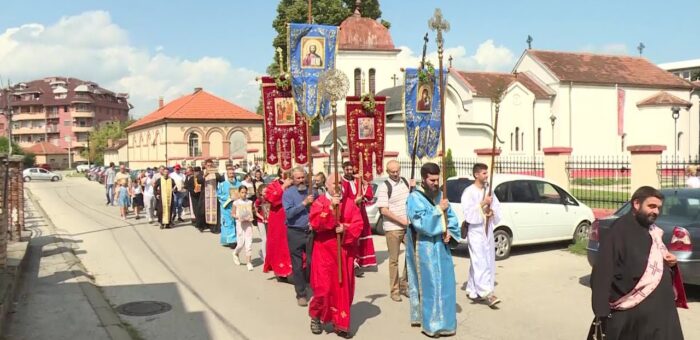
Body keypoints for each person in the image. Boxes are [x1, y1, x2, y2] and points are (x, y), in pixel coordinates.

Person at [589, 186, 684, 340]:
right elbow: (602, 273)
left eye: (659, 208)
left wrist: (671, 264)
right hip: (632, 316)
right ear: (636, 204)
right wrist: (602, 314)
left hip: (661, 313)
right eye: (651, 206)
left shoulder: (652, 230)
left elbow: (654, 263)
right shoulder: (618, 232)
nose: (656, 212)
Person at [405, 162, 461, 337]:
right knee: (430, 284)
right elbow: (420, 223)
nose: (435, 183)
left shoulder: (441, 196)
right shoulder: (414, 198)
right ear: (424, 179)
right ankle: (431, 325)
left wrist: (449, 233)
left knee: (445, 283)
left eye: (437, 180)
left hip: (441, 247)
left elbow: (451, 218)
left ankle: (446, 322)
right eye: (432, 180)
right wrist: (438, 210)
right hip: (424, 246)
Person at [308, 173, 363, 338]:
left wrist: (345, 229)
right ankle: (316, 316)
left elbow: (358, 225)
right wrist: (331, 209)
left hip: (344, 253)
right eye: (334, 183)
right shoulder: (319, 202)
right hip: (324, 253)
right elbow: (316, 223)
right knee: (323, 289)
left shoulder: (351, 204)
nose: (337, 186)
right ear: (328, 185)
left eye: (340, 183)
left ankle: (341, 324)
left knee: (342, 290)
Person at [461, 163, 502, 307]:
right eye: (484, 173)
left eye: (487, 173)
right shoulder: (469, 192)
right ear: (476, 175)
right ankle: (487, 293)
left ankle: (472, 290)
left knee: (487, 259)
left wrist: (491, 213)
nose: (486, 175)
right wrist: (483, 203)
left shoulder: (489, 191)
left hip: (487, 230)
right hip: (476, 231)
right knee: (479, 260)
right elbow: (469, 214)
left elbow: (496, 207)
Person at [375, 160, 412, 302]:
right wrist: (402, 221)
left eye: (397, 171)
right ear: (387, 171)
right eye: (392, 172)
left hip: (408, 227)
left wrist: (413, 187)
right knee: (394, 260)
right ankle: (394, 290)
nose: (396, 174)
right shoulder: (385, 187)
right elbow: (383, 210)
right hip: (393, 228)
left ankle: (404, 284)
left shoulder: (405, 182)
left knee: (411, 256)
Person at [283, 166, 316, 306]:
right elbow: (289, 213)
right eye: (298, 178)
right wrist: (304, 203)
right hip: (295, 231)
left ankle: (311, 285)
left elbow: (320, 208)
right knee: (297, 265)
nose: (301, 180)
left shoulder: (312, 191)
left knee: (311, 262)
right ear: (293, 179)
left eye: (303, 177)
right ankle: (301, 294)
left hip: (310, 231)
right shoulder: (288, 194)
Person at [340, 161, 376, 277]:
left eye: (351, 169)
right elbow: (342, 199)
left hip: (360, 212)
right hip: (348, 214)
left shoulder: (357, 180)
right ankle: (351, 263)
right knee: (351, 237)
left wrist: (365, 184)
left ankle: (358, 262)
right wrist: (354, 202)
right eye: (347, 169)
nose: (350, 172)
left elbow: (368, 195)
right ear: (343, 169)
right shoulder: (341, 182)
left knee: (360, 236)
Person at [262, 169, 293, 280]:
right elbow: (271, 198)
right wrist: (283, 186)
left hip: (293, 219)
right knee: (279, 244)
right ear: (281, 173)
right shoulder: (273, 185)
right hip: (278, 219)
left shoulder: (296, 184)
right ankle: (281, 271)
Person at [233, 186, 255, 271]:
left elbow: (252, 212)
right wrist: (238, 217)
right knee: (241, 243)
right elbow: (233, 213)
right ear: (239, 193)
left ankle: (249, 262)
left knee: (249, 243)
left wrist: (251, 217)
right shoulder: (236, 203)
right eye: (242, 192)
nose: (244, 194)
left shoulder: (249, 202)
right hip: (240, 224)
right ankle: (235, 253)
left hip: (248, 224)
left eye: (245, 192)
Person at [218, 167, 241, 246]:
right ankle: (231, 241)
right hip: (227, 207)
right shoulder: (222, 184)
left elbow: (244, 193)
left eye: (233, 173)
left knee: (237, 223)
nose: (231, 175)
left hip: (237, 207)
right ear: (227, 175)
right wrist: (228, 198)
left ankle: (238, 239)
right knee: (228, 223)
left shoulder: (239, 184)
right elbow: (218, 195)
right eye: (230, 174)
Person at [201, 159, 224, 233]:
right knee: (203, 211)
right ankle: (204, 225)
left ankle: (215, 228)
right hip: (205, 195)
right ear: (205, 165)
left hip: (214, 195)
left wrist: (217, 173)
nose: (209, 167)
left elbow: (222, 180)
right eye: (208, 165)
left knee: (215, 212)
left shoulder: (215, 172)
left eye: (211, 165)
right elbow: (198, 180)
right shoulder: (203, 172)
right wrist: (204, 175)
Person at [254, 184, 269, 261]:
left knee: (269, 239)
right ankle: (264, 256)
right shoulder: (258, 200)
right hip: (261, 221)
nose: (266, 193)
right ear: (260, 192)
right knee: (264, 239)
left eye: (267, 191)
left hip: (269, 221)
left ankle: (267, 253)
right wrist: (262, 217)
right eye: (264, 192)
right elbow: (255, 212)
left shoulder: (270, 199)